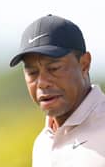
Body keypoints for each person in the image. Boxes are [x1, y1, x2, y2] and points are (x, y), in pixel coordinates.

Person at [10, 14, 105, 167]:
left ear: (84, 64)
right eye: (32, 72)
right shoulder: (42, 144)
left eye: (54, 68)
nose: (42, 83)